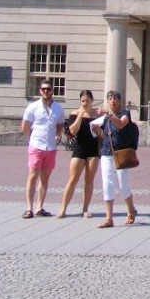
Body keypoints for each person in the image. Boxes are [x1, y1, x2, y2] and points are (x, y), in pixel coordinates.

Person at [91, 90, 138, 228]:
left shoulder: (125, 114)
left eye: (115, 98)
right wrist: (96, 129)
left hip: (122, 153)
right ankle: (109, 218)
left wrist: (109, 115)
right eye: (110, 98)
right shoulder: (106, 118)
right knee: (107, 183)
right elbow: (105, 135)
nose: (112, 101)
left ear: (119, 101)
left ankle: (131, 209)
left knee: (123, 185)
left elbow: (120, 124)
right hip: (106, 152)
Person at [21, 79, 65, 218]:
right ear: (40, 91)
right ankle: (29, 208)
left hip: (50, 147)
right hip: (36, 145)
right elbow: (25, 126)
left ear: (53, 90)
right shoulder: (33, 107)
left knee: (45, 179)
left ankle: (39, 207)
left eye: (48, 89)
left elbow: (60, 126)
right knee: (32, 177)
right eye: (43, 89)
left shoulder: (58, 108)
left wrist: (57, 135)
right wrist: (31, 140)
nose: (46, 91)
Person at [56, 90, 101, 218]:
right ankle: (63, 209)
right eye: (83, 101)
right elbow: (72, 131)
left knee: (89, 180)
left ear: (92, 100)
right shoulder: (75, 114)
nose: (85, 103)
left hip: (93, 150)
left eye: (87, 100)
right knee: (72, 180)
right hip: (79, 149)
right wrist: (81, 115)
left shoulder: (96, 115)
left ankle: (85, 209)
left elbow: (101, 133)